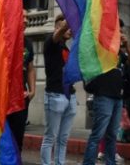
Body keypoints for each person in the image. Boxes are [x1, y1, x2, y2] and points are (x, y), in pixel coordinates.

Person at [0, 9, 36, 163]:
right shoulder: (2, 38)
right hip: (1, 101)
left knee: (16, 141)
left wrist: (32, 91)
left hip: (20, 101)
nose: (26, 20)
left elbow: (31, 68)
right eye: (23, 17)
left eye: (27, 17)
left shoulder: (28, 43)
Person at [83, 20, 130, 165]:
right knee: (98, 134)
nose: (122, 33)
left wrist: (127, 46)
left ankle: (110, 162)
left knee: (112, 135)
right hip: (104, 96)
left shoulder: (120, 52)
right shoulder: (103, 47)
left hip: (118, 97)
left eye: (122, 30)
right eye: (119, 30)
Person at [41, 14, 76, 165]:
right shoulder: (50, 42)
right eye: (65, 27)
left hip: (70, 96)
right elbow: (61, 30)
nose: (69, 30)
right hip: (55, 95)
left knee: (63, 138)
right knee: (50, 137)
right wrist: (72, 12)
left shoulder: (66, 48)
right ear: (57, 27)